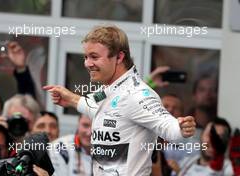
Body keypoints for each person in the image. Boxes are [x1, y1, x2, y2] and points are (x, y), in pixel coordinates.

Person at [44, 25, 196, 175]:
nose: (87, 63)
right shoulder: (107, 90)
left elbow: (167, 126)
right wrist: (70, 98)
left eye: (94, 57)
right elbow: (92, 105)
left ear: (119, 57)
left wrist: (180, 127)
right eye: (86, 57)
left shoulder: (138, 94)